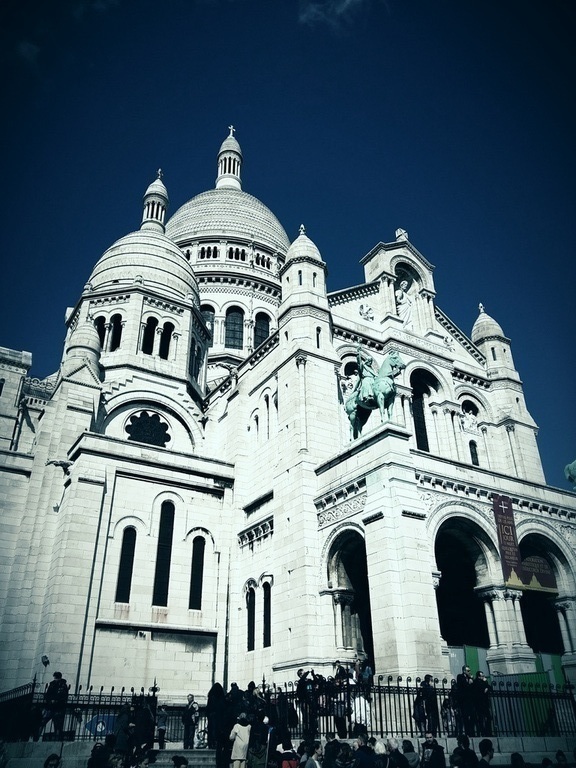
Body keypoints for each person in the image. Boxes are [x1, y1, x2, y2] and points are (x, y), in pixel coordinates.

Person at [41, 671, 68, 740]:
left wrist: (56, 700)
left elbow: (64, 696)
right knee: (43, 722)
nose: (56, 679)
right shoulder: (52, 684)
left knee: (57, 725)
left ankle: (57, 738)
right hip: (50, 707)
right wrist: (50, 701)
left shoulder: (63, 685)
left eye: (57, 677)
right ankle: (36, 737)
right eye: (55, 677)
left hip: (58, 708)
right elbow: (47, 695)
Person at [456, 666, 474, 736]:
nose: (469, 672)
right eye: (468, 671)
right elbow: (463, 686)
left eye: (469, 670)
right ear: (464, 671)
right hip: (463, 700)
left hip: (470, 700)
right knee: (465, 717)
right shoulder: (460, 676)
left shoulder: (470, 678)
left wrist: (471, 679)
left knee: (472, 716)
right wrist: (469, 682)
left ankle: (472, 732)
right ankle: (467, 732)